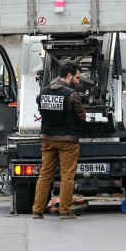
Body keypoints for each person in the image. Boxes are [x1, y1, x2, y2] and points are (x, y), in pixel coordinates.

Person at [31, 60, 86, 220]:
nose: (78, 81)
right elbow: (81, 118)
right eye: (77, 77)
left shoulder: (43, 92)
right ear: (69, 75)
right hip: (67, 140)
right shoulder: (72, 94)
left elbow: (41, 110)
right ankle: (65, 211)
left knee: (45, 175)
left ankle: (37, 210)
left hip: (47, 139)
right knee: (67, 176)